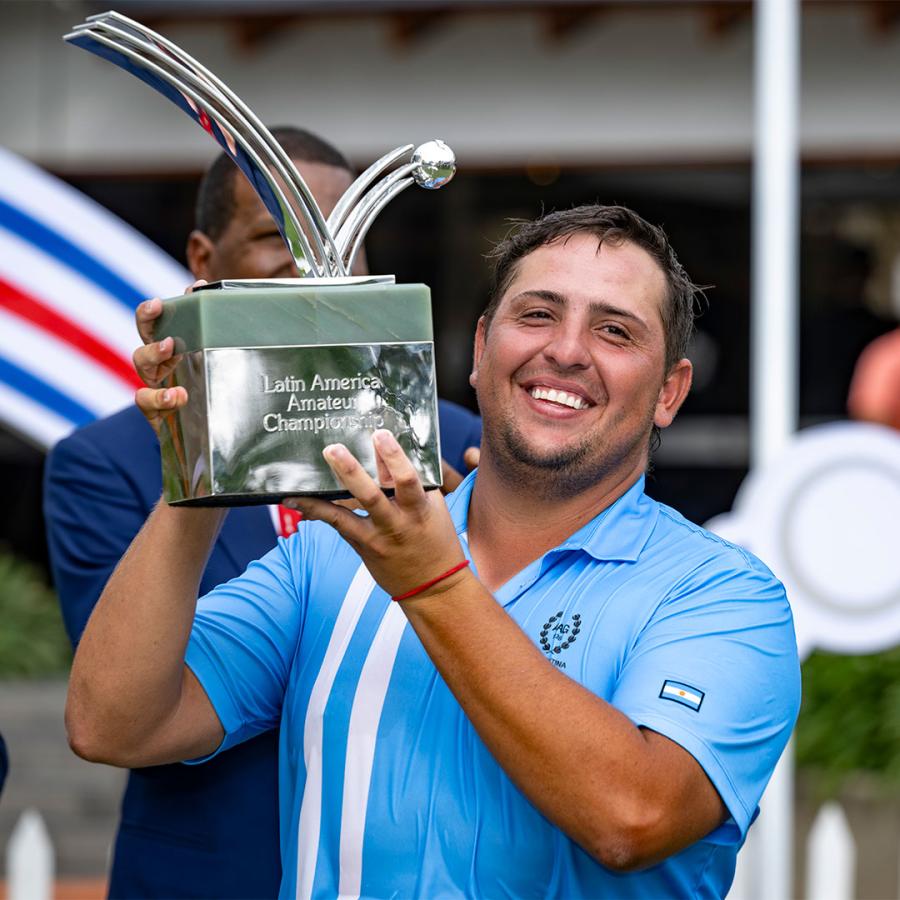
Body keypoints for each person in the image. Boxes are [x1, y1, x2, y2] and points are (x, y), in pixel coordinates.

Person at [67, 205, 800, 899]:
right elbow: (115, 723)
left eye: (615, 332)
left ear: (669, 392)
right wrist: (201, 460)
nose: (567, 350)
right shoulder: (333, 554)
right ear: (480, 350)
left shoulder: (723, 594)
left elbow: (632, 818)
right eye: (538, 314)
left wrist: (435, 584)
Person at [44, 126, 480, 900]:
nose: (318, 264)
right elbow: (126, 698)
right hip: (215, 871)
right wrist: (198, 459)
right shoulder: (106, 463)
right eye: (280, 236)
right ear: (204, 263)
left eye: (344, 235)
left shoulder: (459, 447)